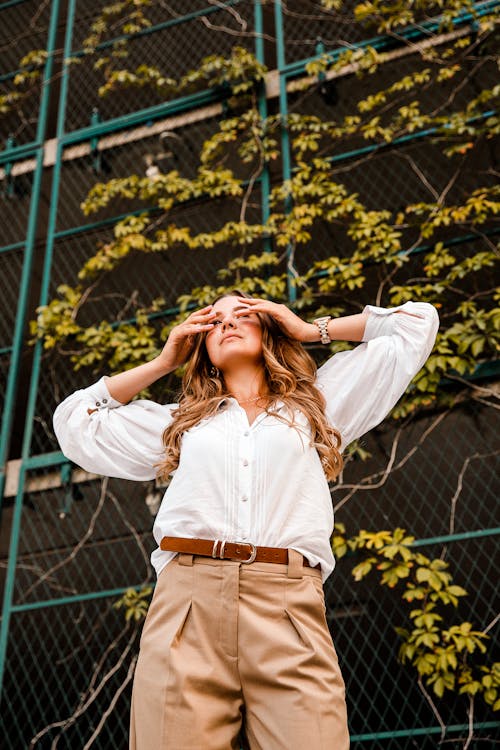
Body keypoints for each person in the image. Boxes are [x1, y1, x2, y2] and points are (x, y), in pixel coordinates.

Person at [53, 291, 439, 750]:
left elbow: (417, 323)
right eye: (214, 320)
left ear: (269, 329)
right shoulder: (180, 424)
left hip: (288, 604)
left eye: (245, 315)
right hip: (187, 606)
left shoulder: (319, 404)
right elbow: (76, 420)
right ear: (200, 345)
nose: (227, 323)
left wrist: (307, 329)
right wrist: (162, 363)